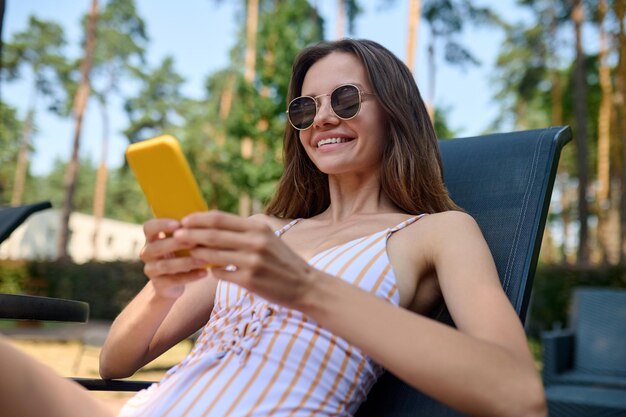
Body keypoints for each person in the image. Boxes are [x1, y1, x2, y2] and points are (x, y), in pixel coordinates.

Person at [0, 38, 547, 417]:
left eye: (346, 99)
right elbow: (114, 361)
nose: (324, 118)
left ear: (396, 110)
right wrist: (164, 288)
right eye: (305, 109)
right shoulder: (265, 233)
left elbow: (518, 394)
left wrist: (305, 288)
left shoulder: (439, 232)